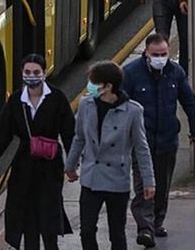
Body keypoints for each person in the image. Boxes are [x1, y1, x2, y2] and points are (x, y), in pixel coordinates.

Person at [0, 54, 75, 250]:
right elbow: (2, 134)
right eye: (27, 72)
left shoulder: (57, 98)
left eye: (36, 72)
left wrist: (72, 164)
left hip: (50, 167)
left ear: (43, 73)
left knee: (49, 219)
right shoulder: (16, 101)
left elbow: (69, 132)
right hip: (24, 167)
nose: (31, 76)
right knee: (28, 221)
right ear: (22, 74)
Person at [122, 33, 195, 248]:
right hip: (142, 142)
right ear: (146, 54)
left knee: (162, 185)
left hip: (168, 139)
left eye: (164, 54)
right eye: (156, 55)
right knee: (144, 186)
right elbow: (120, 107)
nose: (160, 58)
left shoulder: (175, 72)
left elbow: (190, 102)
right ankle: (145, 227)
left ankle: (157, 221)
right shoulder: (131, 74)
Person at [64, 61, 155, 250]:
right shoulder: (86, 104)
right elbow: (79, 137)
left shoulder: (132, 111)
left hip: (117, 181)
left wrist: (148, 181)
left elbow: (141, 148)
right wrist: (70, 165)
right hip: (91, 179)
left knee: (117, 234)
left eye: (93, 82)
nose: (89, 86)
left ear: (108, 86)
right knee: (87, 230)